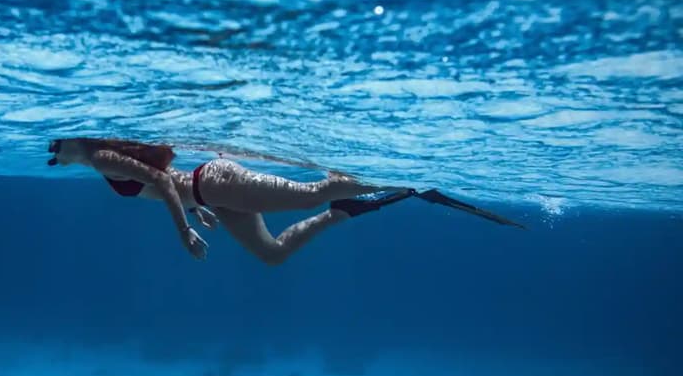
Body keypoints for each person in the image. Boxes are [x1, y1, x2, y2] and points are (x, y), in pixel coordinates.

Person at [46, 137, 523, 265]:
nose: (54, 157)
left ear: (71, 138)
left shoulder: (104, 157)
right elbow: (166, 183)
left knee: (309, 193)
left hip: (215, 182)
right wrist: (195, 209)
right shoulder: (95, 160)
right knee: (272, 254)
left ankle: (406, 179)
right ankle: (348, 209)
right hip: (211, 196)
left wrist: (184, 228)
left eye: (54, 148)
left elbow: (162, 183)